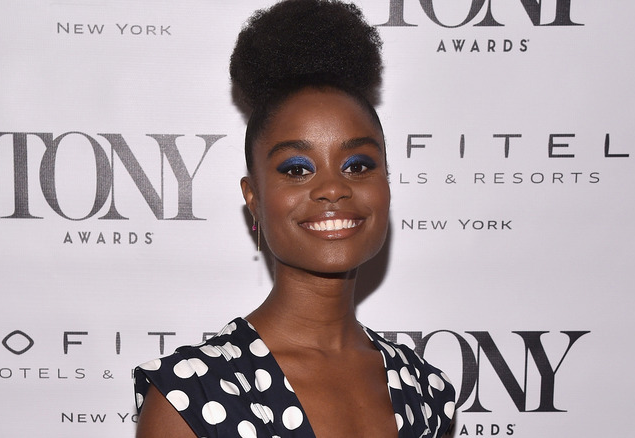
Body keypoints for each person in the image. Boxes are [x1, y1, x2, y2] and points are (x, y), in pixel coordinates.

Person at [133, 1, 456, 436]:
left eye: (358, 164)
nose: (332, 188)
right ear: (255, 199)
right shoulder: (194, 395)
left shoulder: (423, 388)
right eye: (296, 169)